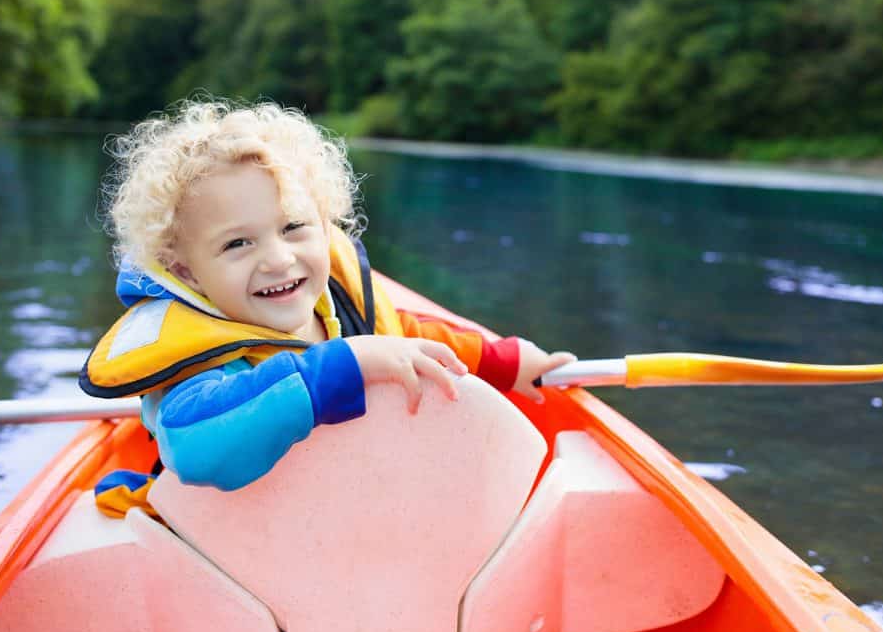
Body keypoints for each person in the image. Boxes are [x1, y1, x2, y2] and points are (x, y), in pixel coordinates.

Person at [80, 100, 573, 507]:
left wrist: (500, 361)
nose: (278, 259)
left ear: (324, 221)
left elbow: (405, 336)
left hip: (341, 525)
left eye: (294, 228)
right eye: (237, 244)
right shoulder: (194, 359)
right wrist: (342, 366)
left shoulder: (334, 300)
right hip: (235, 559)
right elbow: (199, 450)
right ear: (187, 272)